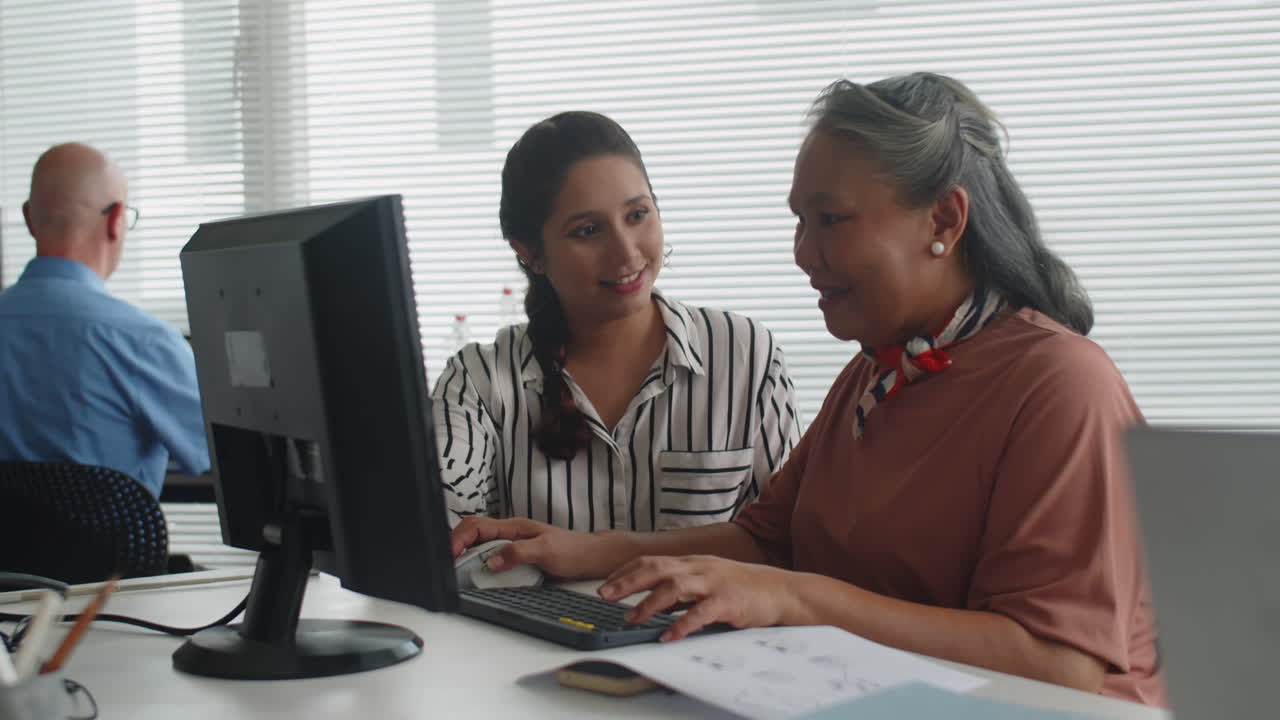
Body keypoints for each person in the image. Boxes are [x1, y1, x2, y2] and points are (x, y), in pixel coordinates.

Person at [450, 76, 1165, 706]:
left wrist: (798, 600)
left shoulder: (1059, 383)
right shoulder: (878, 371)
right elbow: (770, 538)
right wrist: (587, 551)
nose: (802, 253)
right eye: (799, 220)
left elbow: (1060, 665)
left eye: (830, 220)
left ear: (943, 221)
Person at [432, 111, 801, 531]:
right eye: (588, 230)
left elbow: (789, 537)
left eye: (637, 215)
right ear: (529, 253)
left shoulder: (746, 355)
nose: (626, 253)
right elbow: (436, 516)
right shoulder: (480, 380)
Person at [0, 142, 210, 498]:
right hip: (105, 555)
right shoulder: (143, 341)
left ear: (29, 219)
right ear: (115, 221)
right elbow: (214, 454)